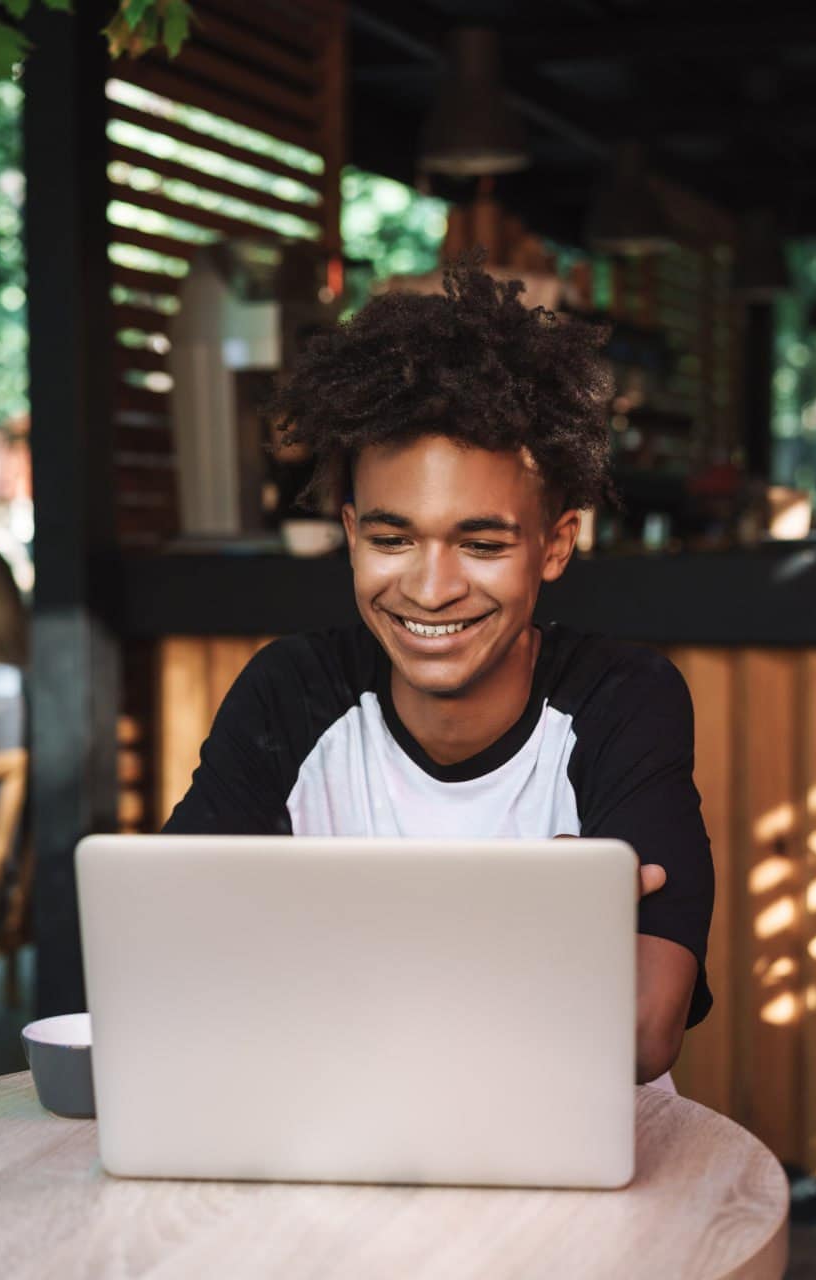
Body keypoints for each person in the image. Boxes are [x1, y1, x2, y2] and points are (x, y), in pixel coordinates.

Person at [164, 253, 715, 1085]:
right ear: (350, 536)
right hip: (332, 1146)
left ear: (555, 544)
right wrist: (535, 925)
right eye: (391, 539)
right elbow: (174, 966)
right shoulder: (290, 693)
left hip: (577, 1170)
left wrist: (307, 949)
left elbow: (640, 1031)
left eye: (482, 543)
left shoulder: (620, 703)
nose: (430, 587)